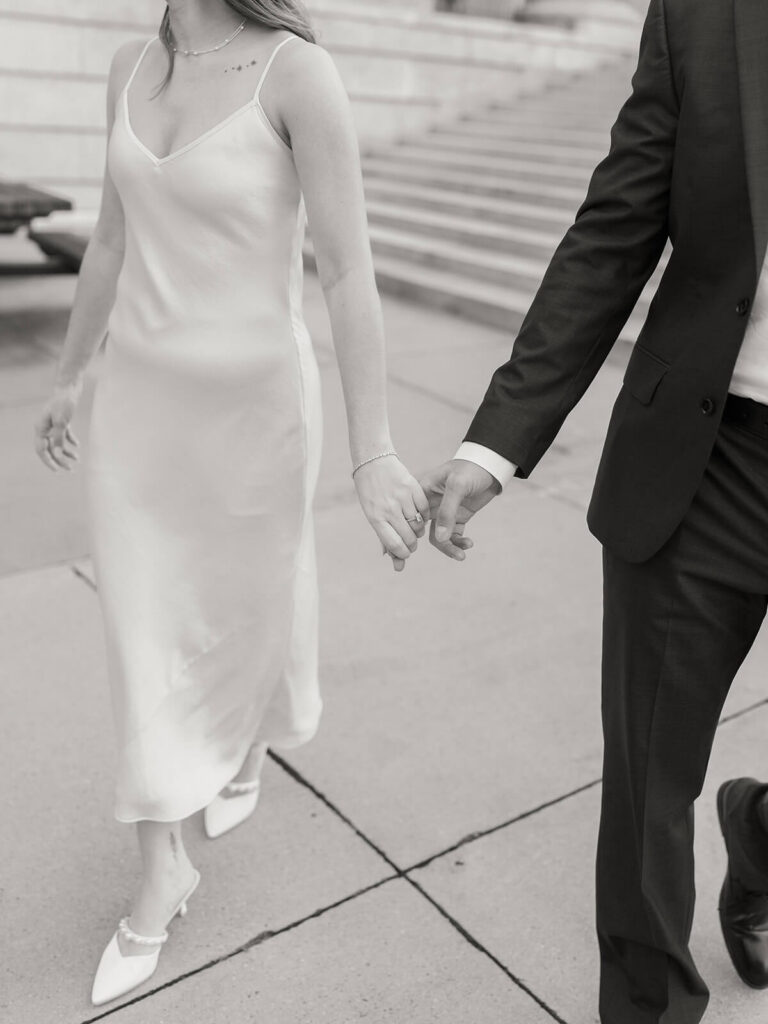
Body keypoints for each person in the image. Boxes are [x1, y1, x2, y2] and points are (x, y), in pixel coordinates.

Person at [33, 0, 428, 1007]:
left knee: (247, 606)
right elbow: (113, 245)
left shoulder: (297, 73)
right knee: (140, 629)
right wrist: (70, 373)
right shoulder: (129, 62)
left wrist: (373, 447)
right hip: (137, 412)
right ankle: (162, 864)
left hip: (254, 416)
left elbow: (345, 269)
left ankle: (244, 737)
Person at [420, 0, 768, 1021]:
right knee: (652, 777)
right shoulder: (707, 16)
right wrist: (500, 437)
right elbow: (616, 228)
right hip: (708, 459)